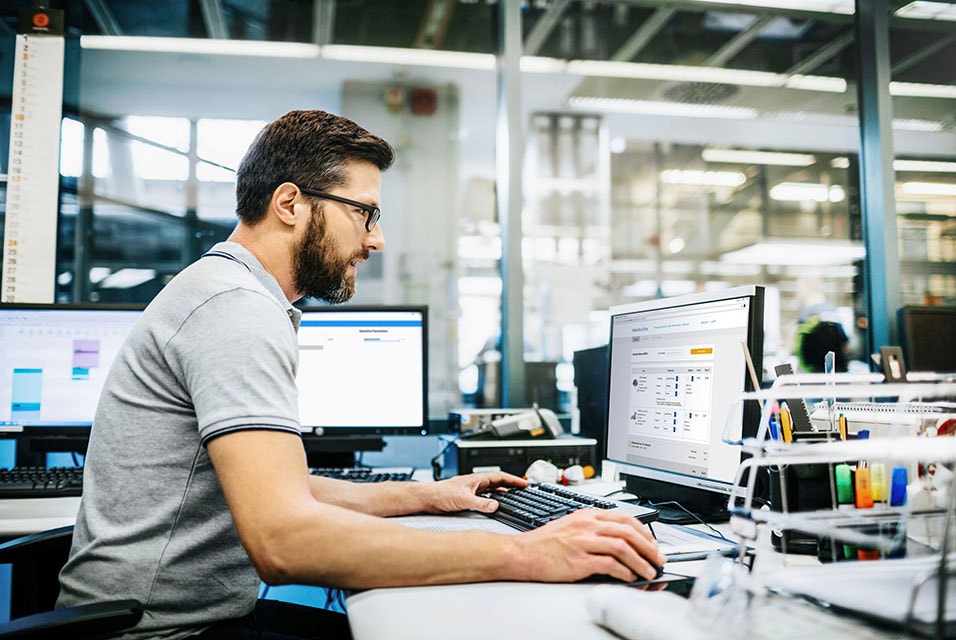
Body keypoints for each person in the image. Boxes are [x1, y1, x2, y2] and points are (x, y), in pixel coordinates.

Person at [56, 110, 664, 640]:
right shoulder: (234, 311)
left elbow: (285, 490)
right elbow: (284, 541)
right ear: (291, 204)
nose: (375, 240)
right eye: (364, 213)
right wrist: (526, 553)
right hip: (162, 634)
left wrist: (428, 496)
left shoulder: (233, 294)